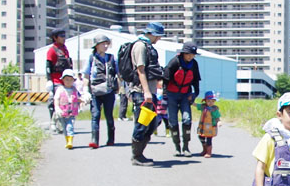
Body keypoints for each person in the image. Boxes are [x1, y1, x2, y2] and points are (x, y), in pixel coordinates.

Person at [127, 22, 165, 166]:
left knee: (151, 123)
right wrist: (147, 92)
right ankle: (136, 156)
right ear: (152, 34)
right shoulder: (140, 46)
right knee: (142, 124)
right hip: (142, 92)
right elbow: (140, 70)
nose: (159, 39)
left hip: (150, 92)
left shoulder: (147, 46)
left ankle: (140, 154)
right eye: (158, 36)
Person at [163, 41, 202, 156]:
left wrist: (195, 94)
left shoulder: (194, 64)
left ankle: (186, 147)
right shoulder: (174, 62)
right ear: (183, 53)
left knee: (187, 119)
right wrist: (165, 95)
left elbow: (196, 81)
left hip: (185, 94)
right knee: (173, 121)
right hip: (172, 95)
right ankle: (177, 147)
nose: (191, 56)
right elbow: (166, 78)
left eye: (193, 54)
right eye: (189, 54)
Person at [84, 34, 118, 148]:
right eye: (103, 43)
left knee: (109, 115)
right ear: (97, 46)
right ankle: (94, 140)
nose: (106, 46)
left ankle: (111, 138)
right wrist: (85, 90)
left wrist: (124, 87)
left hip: (109, 91)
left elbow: (119, 74)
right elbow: (86, 75)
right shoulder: (91, 58)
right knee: (96, 115)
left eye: (107, 43)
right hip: (95, 91)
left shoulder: (112, 58)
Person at [45, 27, 73, 131]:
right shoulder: (52, 50)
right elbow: (48, 65)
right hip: (56, 79)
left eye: (64, 36)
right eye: (61, 36)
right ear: (55, 38)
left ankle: (60, 122)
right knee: (56, 100)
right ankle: (54, 122)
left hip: (66, 80)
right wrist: (49, 80)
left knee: (65, 102)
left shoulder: (65, 49)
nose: (64, 38)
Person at [53, 69, 81, 150]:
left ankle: (70, 142)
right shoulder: (60, 89)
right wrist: (57, 107)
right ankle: (67, 140)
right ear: (63, 80)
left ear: (73, 80)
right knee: (64, 128)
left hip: (72, 112)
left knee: (70, 126)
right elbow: (56, 99)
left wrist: (83, 100)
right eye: (66, 79)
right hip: (62, 112)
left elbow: (78, 98)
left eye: (70, 79)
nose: (68, 81)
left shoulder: (75, 90)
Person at [196, 90, 221, 157]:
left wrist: (219, 122)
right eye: (209, 101)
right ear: (205, 101)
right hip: (203, 127)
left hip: (211, 127)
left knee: (209, 140)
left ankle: (209, 152)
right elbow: (195, 105)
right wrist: (190, 101)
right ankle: (204, 149)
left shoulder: (214, 109)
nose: (210, 103)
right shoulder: (203, 107)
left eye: (212, 101)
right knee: (201, 137)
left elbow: (217, 118)